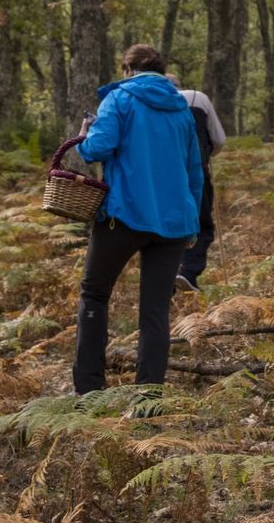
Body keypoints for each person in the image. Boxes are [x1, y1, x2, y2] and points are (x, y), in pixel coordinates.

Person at [71, 44, 203, 400]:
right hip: (173, 222)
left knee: (95, 294)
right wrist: (192, 224)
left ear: (128, 69)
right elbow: (195, 171)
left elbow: (97, 148)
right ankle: (147, 398)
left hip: (123, 215)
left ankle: (90, 390)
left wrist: (85, 136)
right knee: (155, 310)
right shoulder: (182, 109)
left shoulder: (118, 99)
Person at [170, 77, 227, 293]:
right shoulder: (198, 98)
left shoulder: (143, 103)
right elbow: (219, 139)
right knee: (201, 224)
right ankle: (187, 272)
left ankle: (167, 276)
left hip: (161, 178)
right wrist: (206, 154)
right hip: (197, 172)